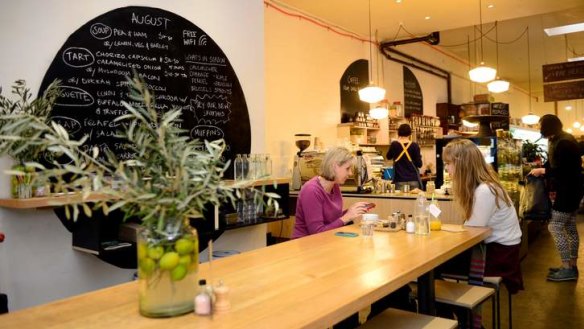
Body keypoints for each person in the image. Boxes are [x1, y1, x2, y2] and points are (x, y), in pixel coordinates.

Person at [442, 138, 523, 292]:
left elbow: (471, 233)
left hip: (498, 256)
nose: (447, 169)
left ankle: (453, 313)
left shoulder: (484, 191)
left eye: (448, 163)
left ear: (461, 164)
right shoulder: (486, 186)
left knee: (435, 266)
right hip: (502, 250)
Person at [529, 114, 583, 282]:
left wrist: (543, 171)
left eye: (540, 125)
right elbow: (556, 164)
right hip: (573, 189)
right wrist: (542, 167)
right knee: (570, 227)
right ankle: (571, 266)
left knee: (555, 226)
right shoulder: (560, 139)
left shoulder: (564, 142)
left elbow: (566, 171)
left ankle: (567, 268)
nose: (539, 128)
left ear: (547, 126)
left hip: (569, 190)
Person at [292, 146, 371, 239]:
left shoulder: (335, 186)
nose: (350, 173)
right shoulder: (311, 190)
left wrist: (351, 211)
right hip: (305, 245)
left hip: (325, 241)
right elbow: (317, 233)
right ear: (334, 166)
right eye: (347, 168)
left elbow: (332, 221)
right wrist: (347, 217)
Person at [386, 123, 423, 190]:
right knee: (414, 200)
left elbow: (388, 157)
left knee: (402, 200)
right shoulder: (414, 145)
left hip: (399, 180)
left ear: (399, 132)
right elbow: (419, 164)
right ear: (410, 133)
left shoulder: (394, 144)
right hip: (413, 180)